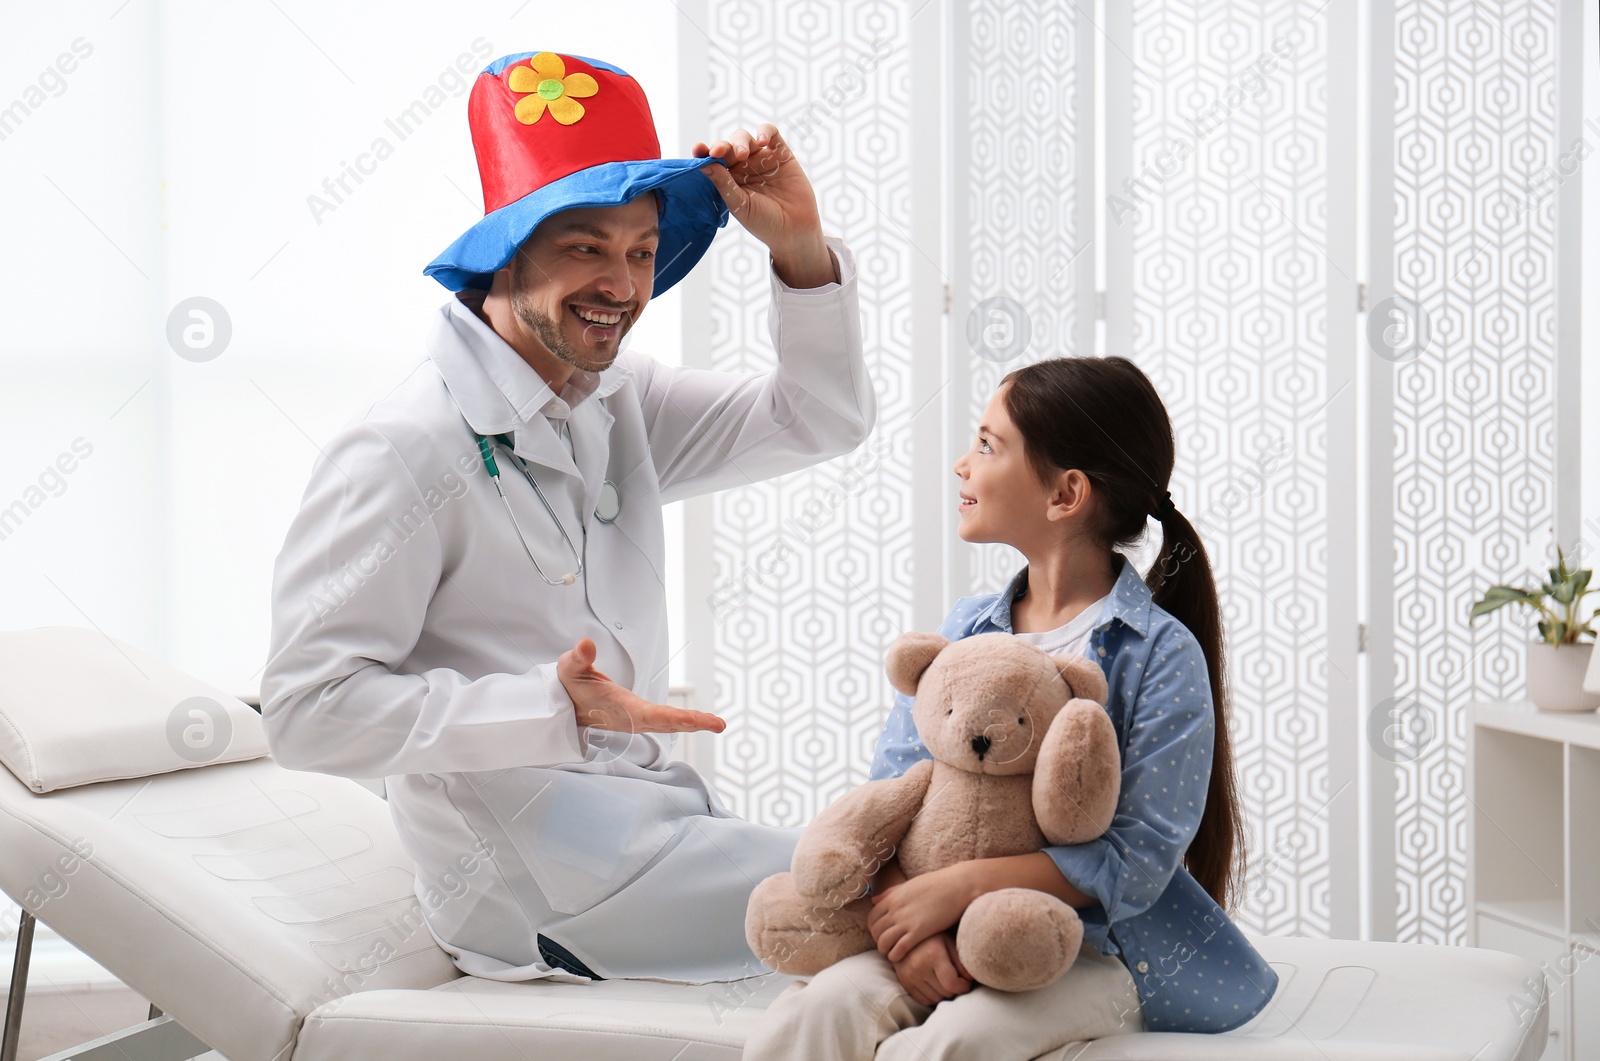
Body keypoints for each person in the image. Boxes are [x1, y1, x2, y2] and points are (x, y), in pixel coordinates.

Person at [260, 50, 874, 985]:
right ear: (504, 251)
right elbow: (307, 712)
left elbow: (816, 419)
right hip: (529, 877)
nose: (623, 286)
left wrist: (798, 245)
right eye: (586, 247)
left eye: (639, 251)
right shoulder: (401, 447)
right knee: (896, 898)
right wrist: (553, 707)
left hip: (638, 824)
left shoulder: (614, 395)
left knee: (917, 895)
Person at [742, 356, 1278, 1059]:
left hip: (1078, 950)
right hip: (933, 928)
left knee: (957, 1043)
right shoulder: (967, 629)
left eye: (989, 445)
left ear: (1066, 494)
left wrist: (961, 887)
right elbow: (891, 795)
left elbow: (1137, 859)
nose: (963, 465)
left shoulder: (1158, 654)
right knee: (821, 1011)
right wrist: (912, 931)